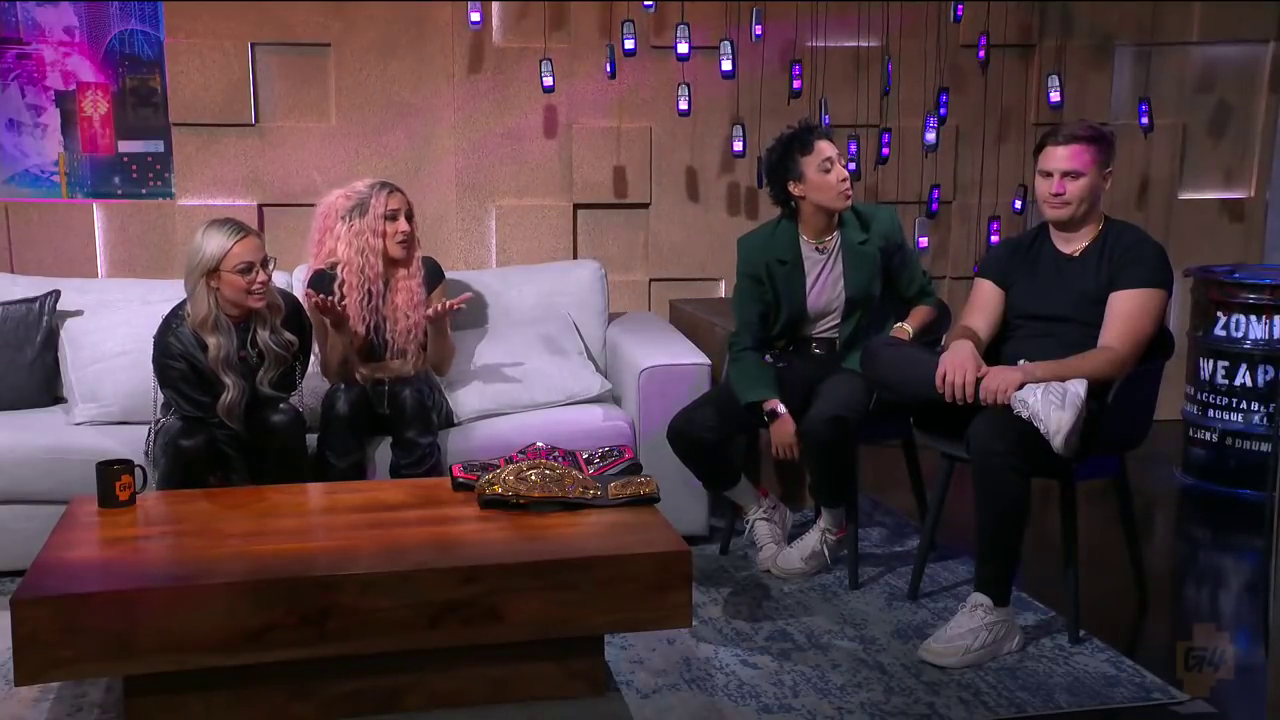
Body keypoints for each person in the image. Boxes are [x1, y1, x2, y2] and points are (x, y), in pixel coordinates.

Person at [861, 121, 1174, 669]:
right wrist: (962, 348)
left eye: (1071, 176)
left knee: (993, 432)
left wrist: (1027, 376)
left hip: (1082, 409)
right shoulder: (1010, 253)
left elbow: (1115, 357)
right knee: (880, 353)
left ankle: (993, 611)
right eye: (1046, 175)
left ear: (1104, 180)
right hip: (996, 390)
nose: (1055, 188)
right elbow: (974, 325)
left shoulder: (1136, 254)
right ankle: (974, 393)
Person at [666, 118, 939, 579]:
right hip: (793, 361)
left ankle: (833, 525)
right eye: (827, 168)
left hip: (856, 361)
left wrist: (901, 335)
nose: (844, 174)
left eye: (842, 163)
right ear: (796, 187)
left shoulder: (878, 227)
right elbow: (746, 343)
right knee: (688, 430)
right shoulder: (759, 248)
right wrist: (773, 408)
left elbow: (926, 300)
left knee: (823, 423)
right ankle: (761, 508)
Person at [305, 179, 468, 481]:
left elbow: (440, 366)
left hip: (417, 399)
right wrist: (340, 329)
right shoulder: (325, 282)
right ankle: (337, 502)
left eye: (408, 217)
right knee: (342, 398)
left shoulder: (426, 272)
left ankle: (419, 500)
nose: (406, 228)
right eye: (391, 218)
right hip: (358, 402)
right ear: (362, 226)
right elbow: (335, 375)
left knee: (408, 390)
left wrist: (436, 327)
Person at [150, 218, 313, 489]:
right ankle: (176, 516)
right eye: (246, 270)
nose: (264, 277)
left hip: (259, 418)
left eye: (264, 264)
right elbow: (211, 423)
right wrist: (244, 498)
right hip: (195, 426)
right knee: (191, 441)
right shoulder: (176, 340)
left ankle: (292, 511)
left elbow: (286, 385)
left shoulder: (287, 313)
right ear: (212, 277)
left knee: (284, 420)